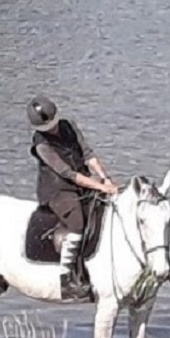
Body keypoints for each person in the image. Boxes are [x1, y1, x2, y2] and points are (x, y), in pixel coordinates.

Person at [27, 95, 117, 297]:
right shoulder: (41, 144)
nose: (52, 129)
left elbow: (88, 155)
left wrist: (106, 179)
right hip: (58, 190)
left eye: (53, 124)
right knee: (77, 222)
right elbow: (68, 173)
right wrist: (99, 186)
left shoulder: (69, 126)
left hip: (83, 181)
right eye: (47, 127)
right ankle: (67, 278)